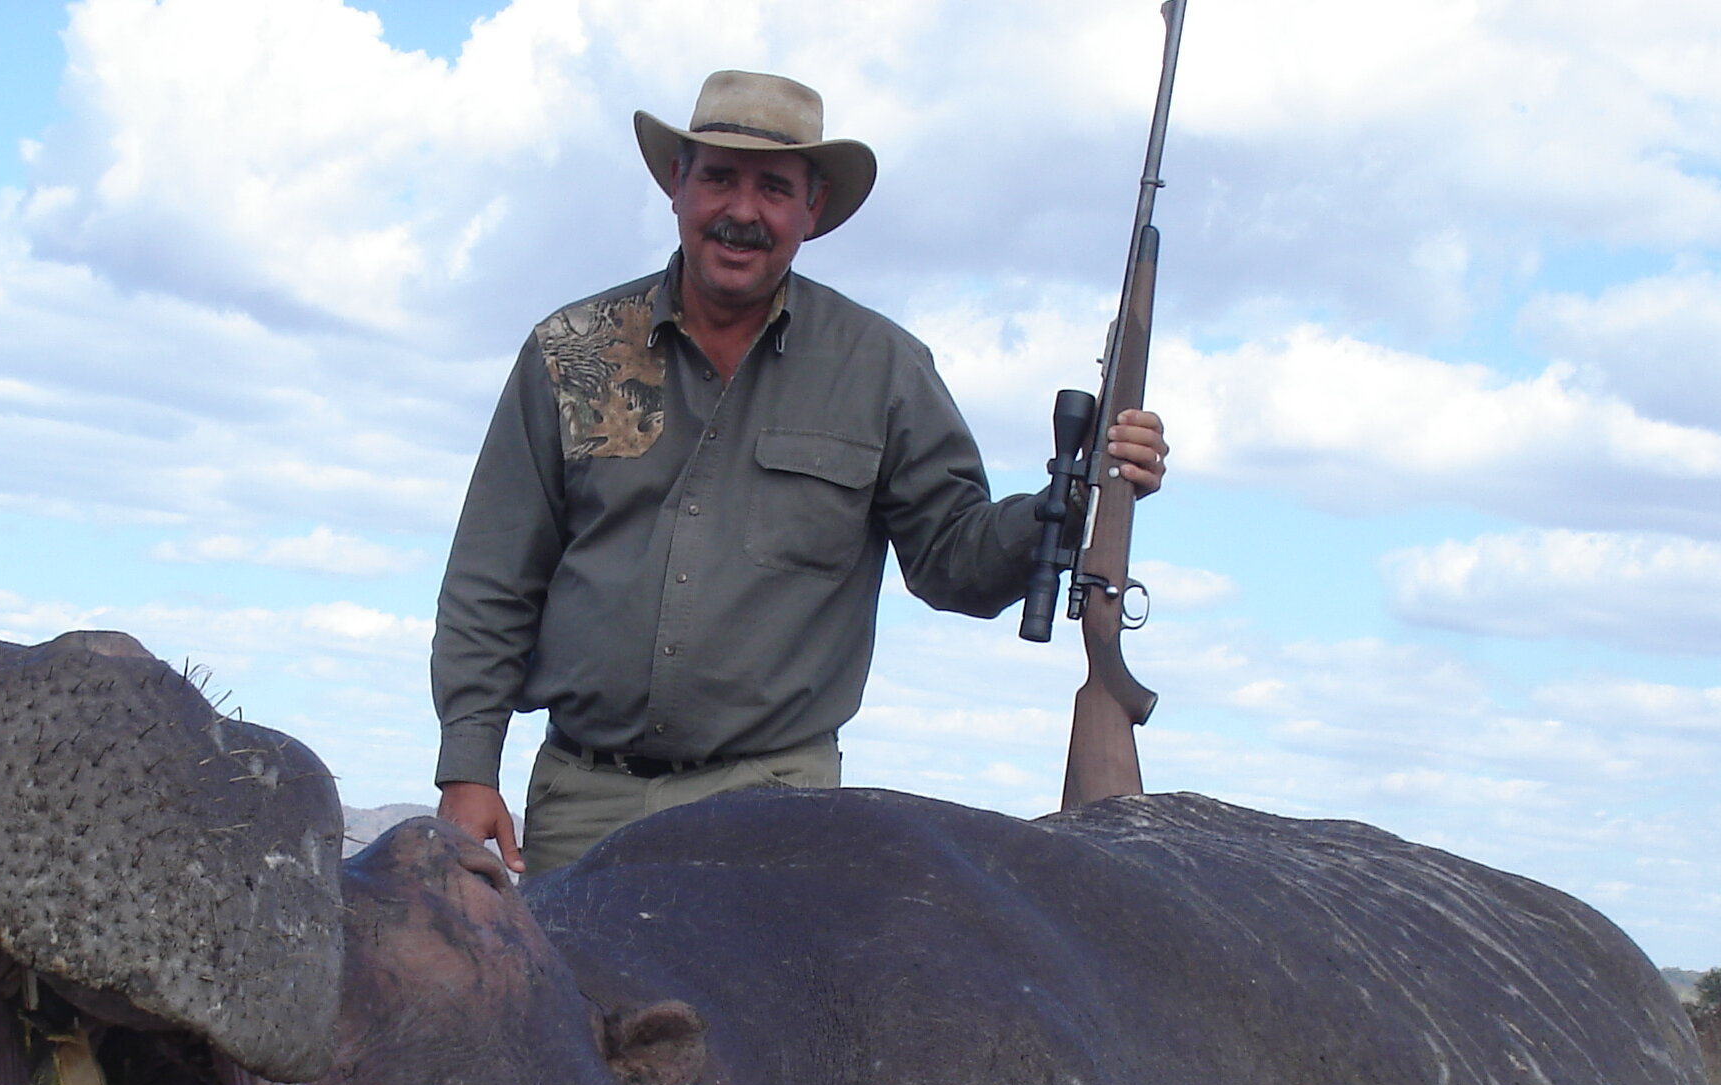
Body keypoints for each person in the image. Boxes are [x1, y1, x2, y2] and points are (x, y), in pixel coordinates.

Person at [430, 69, 1169, 875]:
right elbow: (491, 577)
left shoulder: (882, 367)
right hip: (582, 804)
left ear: (812, 210)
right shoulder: (569, 351)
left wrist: (1072, 498)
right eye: (718, 178)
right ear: (677, 185)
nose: (742, 213)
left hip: (779, 811)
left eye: (774, 189)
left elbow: (955, 562)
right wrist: (469, 768)